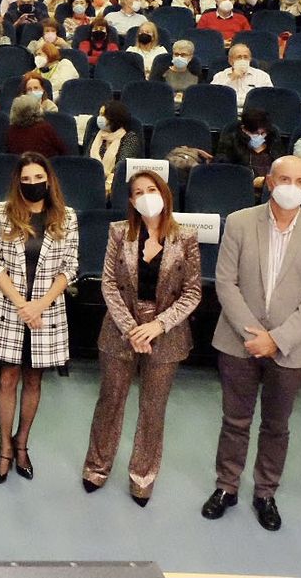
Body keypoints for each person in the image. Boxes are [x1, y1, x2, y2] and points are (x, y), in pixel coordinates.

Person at [202, 156, 301, 532]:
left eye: (300, 180)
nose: (291, 185)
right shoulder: (241, 222)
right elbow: (225, 283)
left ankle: (265, 492)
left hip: (291, 347)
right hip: (238, 341)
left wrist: (276, 340)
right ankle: (226, 486)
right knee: (235, 420)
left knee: (276, 426)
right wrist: (252, 336)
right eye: (284, 178)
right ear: (268, 181)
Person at [83, 171, 201, 503]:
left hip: (166, 332)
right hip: (121, 329)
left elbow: (192, 293)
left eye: (151, 189)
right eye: (138, 192)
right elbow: (108, 284)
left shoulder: (186, 237)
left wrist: (158, 325)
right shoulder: (119, 233)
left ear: (164, 194)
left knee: (153, 408)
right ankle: (97, 467)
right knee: (110, 401)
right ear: (132, 201)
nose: (146, 195)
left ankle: (143, 476)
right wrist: (130, 328)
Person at [0, 152, 78, 484]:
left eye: (38, 179)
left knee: (34, 380)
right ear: (17, 183)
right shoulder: (1, 213)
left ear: (48, 180)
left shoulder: (67, 217)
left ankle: (23, 443)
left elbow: (69, 268)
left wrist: (39, 305)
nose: (33, 185)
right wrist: (23, 304)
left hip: (46, 313)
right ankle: (5, 450)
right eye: (26, 180)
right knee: (7, 379)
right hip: (9, 309)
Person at [216, 108, 288, 189]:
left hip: (272, 188)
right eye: (255, 133)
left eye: (263, 133)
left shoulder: (273, 140)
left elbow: (283, 165)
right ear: (244, 129)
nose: (260, 136)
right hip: (242, 188)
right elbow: (223, 169)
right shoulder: (231, 141)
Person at [6, 93, 68, 158]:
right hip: (46, 165)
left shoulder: (11, 131)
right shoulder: (45, 128)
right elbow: (62, 149)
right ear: (36, 110)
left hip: (22, 167)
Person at [212, 43, 272, 109]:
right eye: (239, 57)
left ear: (250, 59)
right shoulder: (220, 76)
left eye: (245, 57)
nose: (242, 60)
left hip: (252, 112)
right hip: (226, 111)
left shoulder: (262, 76)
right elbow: (213, 96)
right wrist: (232, 78)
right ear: (230, 61)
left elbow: (268, 98)